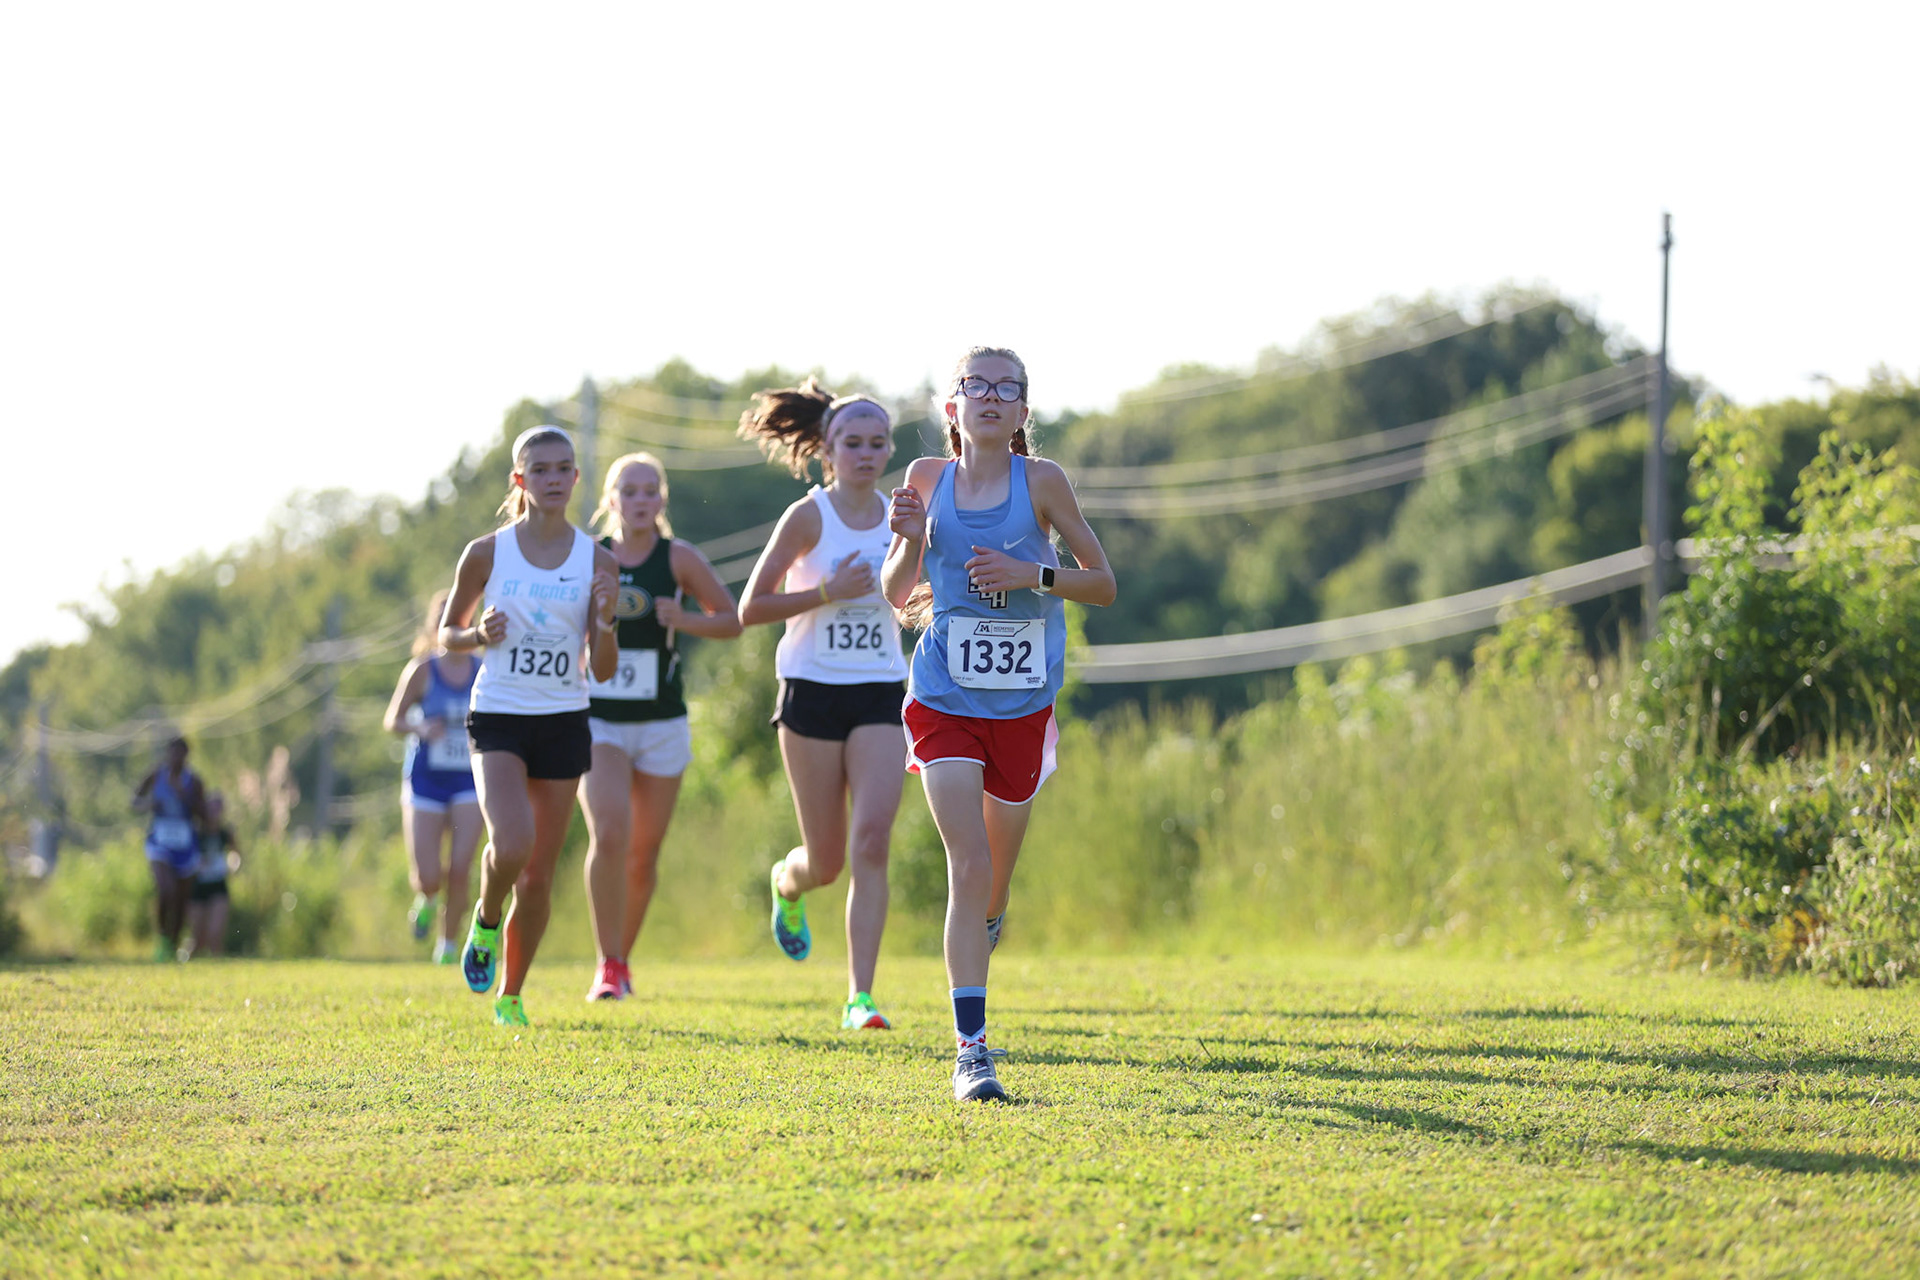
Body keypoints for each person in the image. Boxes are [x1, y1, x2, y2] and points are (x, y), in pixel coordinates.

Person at [882, 347, 1115, 1102]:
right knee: (968, 861)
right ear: (952, 406)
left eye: (1004, 387)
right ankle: (971, 1053)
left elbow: (1103, 584)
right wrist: (909, 539)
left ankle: (989, 919)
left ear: (1021, 412)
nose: (989, 396)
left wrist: (1032, 575)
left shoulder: (1042, 481)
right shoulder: (926, 478)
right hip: (942, 696)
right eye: (974, 385)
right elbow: (895, 591)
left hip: (1023, 704)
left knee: (992, 880)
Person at [738, 380, 909, 1031]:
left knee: (872, 841)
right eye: (852, 443)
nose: (865, 454)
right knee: (828, 860)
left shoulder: (903, 516)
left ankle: (860, 997)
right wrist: (826, 593)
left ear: (889, 450)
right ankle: (789, 881)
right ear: (827, 451)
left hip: (879, 690)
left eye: (876, 443)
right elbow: (751, 608)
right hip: (810, 691)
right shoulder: (808, 517)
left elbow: (918, 595)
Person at [440, 424, 618, 1027]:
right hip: (499, 715)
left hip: (563, 720)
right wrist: (476, 634)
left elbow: (604, 667)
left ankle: (511, 995)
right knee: (512, 843)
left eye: (563, 468)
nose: (553, 479)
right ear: (520, 479)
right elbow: (446, 634)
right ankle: (486, 919)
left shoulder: (598, 561)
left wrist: (607, 621)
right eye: (539, 470)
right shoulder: (487, 553)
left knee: (539, 876)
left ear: (576, 477)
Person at [578, 452, 741, 1001]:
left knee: (643, 855)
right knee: (609, 832)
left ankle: (622, 960)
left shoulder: (679, 558)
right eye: (630, 491)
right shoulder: (590, 555)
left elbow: (732, 620)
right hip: (599, 719)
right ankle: (606, 964)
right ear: (612, 500)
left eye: (650, 491)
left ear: (662, 500)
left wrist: (685, 619)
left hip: (662, 722)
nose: (640, 500)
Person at [381, 589, 482, 963]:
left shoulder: (483, 670)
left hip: (469, 780)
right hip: (426, 780)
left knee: (460, 869)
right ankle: (425, 899)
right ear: (434, 626)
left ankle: (447, 946)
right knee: (427, 876)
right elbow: (392, 720)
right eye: (444, 615)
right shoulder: (422, 669)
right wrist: (420, 728)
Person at [132, 736, 208, 962]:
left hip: (185, 844)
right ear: (167, 754)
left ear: (187, 756)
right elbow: (134, 801)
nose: (176, 758)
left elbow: (204, 814)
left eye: (181, 754)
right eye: (172, 753)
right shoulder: (156, 776)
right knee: (166, 890)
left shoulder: (194, 781)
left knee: (182, 898)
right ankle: (162, 938)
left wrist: (185, 796)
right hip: (160, 841)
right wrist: (149, 804)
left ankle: (174, 944)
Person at [186, 790, 240, 958]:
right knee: (198, 939)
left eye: (218, 808)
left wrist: (233, 866)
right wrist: (197, 863)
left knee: (215, 934)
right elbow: (185, 857)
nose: (214, 812)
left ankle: (218, 966)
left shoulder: (225, 833)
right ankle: (185, 963)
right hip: (197, 887)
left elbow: (236, 854)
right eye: (211, 808)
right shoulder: (195, 833)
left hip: (218, 885)